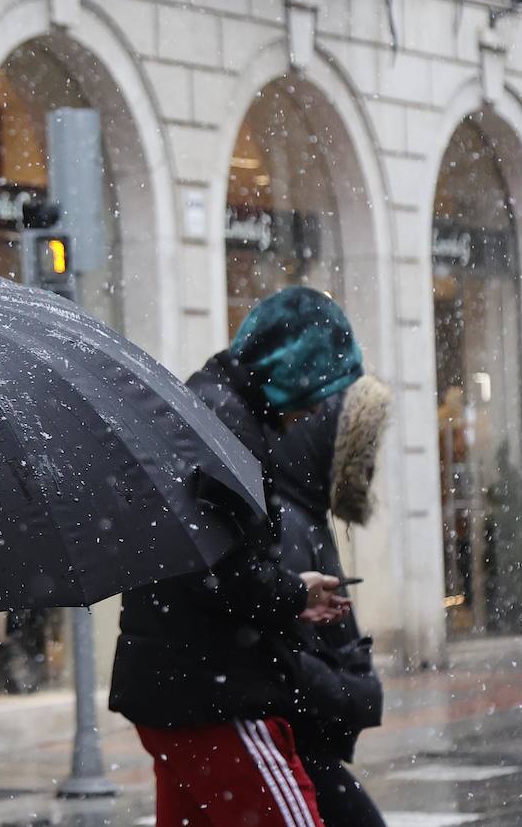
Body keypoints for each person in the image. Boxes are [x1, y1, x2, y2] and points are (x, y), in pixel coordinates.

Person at [110, 286, 360, 827]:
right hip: (215, 693)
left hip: (172, 688)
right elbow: (220, 572)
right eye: (320, 389)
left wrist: (294, 593)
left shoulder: (206, 403)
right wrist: (293, 592)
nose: (319, 408)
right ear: (291, 367)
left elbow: (212, 557)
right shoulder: (229, 428)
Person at [270, 375, 392, 827]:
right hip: (297, 749)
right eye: (365, 453)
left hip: (301, 747)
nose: (371, 469)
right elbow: (287, 660)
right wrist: (354, 693)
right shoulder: (291, 524)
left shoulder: (302, 517)